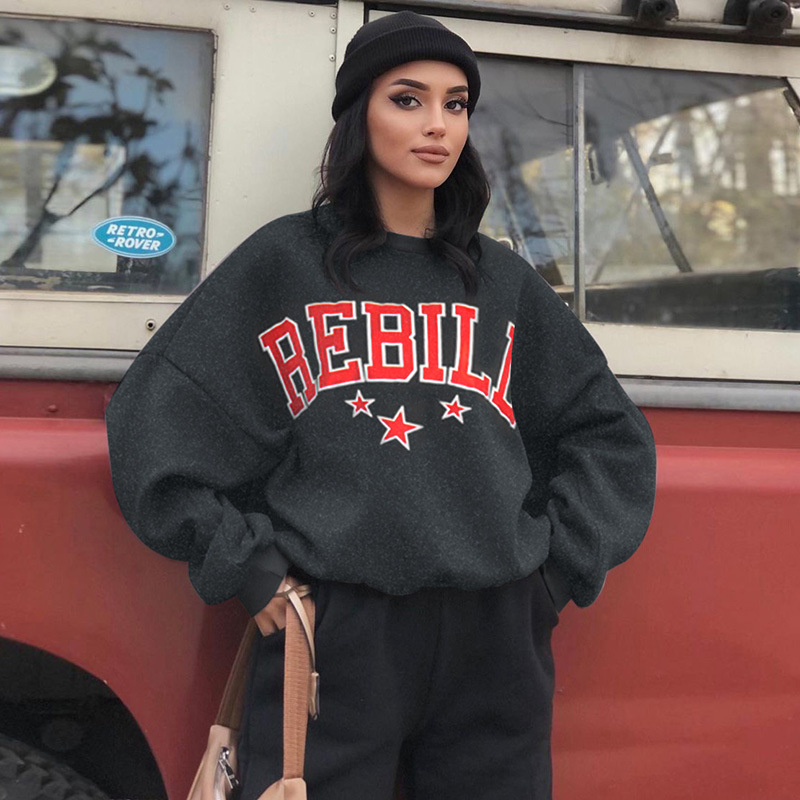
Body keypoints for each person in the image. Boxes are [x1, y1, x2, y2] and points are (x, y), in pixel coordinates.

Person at [105, 10, 657, 800]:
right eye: (408, 99)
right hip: (335, 630)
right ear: (358, 114)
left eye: (456, 104)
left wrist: (552, 578)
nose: (438, 125)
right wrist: (246, 566)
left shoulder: (500, 283)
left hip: (495, 634)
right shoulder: (284, 263)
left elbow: (610, 434)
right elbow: (156, 417)